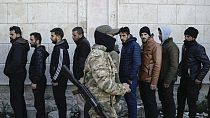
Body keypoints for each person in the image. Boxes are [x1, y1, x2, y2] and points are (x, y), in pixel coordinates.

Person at [83, 25, 131, 118]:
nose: (113, 39)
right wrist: (123, 88)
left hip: (105, 106)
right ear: (103, 37)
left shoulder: (104, 54)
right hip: (98, 108)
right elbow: (105, 84)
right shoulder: (98, 56)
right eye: (111, 36)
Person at [176, 27, 210, 118]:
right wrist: (179, 70)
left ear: (194, 37)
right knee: (180, 102)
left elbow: (207, 64)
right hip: (184, 79)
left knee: (192, 104)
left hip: (193, 81)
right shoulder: (185, 46)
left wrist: (199, 78)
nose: (186, 38)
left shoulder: (198, 48)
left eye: (188, 36)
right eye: (185, 36)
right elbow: (184, 60)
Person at [4, 26, 30, 118]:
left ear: (18, 34)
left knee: (15, 100)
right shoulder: (19, 44)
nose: (10, 36)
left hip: (16, 76)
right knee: (19, 99)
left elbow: (17, 62)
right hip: (18, 75)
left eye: (12, 34)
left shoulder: (18, 45)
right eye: (10, 34)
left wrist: (7, 71)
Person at [139, 26, 162, 118]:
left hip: (149, 80)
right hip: (142, 78)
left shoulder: (155, 46)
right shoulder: (143, 46)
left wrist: (154, 82)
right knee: (146, 103)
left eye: (145, 34)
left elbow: (157, 65)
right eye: (141, 34)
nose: (143, 36)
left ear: (149, 35)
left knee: (151, 104)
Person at [118, 27, 141, 118]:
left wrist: (131, 78)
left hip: (130, 79)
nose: (121, 38)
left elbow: (137, 63)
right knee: (128, 101)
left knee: (131, 101)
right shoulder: (125, 45)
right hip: (124, 78)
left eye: (123, 35)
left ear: (128, 35)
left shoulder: (134, 45)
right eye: (120, 36)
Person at [157, 26, 179, 118]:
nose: (159, 35)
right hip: (162, 78)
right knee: (163, 99)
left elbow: (174, 65)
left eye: (161, 33)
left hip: (167, 79)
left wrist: (167, 80)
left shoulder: (172, 47)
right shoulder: (164, 44)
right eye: (159, 33)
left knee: (168, 99)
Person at [50, 28, 70, 118]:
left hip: (60, 81)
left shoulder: (60, 48)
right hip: (58, 80)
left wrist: (55, 79)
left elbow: (60, 65)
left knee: (61, 102)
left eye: (52, 36)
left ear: (58, 37)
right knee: (59, 102)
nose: (51, 38)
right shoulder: (58, 47)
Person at [72, 27, 91, 118]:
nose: (73, 37)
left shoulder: (83, 44)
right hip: (80, 77)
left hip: (81, 78)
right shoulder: (82, 43)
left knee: (81, 102)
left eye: (74, 35)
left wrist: (78, 77)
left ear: (80, 35)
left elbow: (82, 63)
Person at [29, 32, 49, 118]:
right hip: (39, 81)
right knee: (39, 104)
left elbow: (39, 68)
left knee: (39, 104)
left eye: (31, 39)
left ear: (37, 41)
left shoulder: (39, 52)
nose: (30, 42)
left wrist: (35, 81)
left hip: (38, 82)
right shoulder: (38, 51)